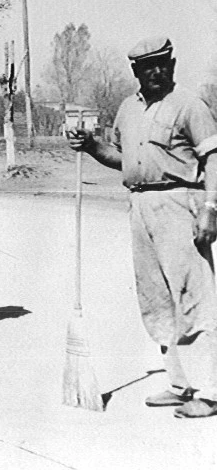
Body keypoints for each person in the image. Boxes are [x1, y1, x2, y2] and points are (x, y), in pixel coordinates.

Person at [68, 36, 217, 418]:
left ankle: (211, 391)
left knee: (193, 296)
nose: (157, 71)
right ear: (135, 71)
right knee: (156, 299)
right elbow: (122, 159)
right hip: (139, 204)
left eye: (163, 63)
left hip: (179, 201)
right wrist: (90, 146)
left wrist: (210, 208)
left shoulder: (189, 105)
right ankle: (180, 385)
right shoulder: (127, 109)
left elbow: (213, 159)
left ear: (173, 63)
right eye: (148, 66)